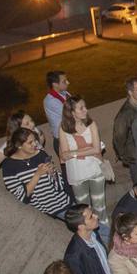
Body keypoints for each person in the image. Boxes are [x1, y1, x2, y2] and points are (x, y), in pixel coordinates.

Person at [0, 127, 73, 221]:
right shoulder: (9, 166)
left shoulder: (41, 154)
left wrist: (52, 173)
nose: (35, 144)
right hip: (43, 212)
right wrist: (37, 175)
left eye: (35, 140)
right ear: (19, 145)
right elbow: (21, 197)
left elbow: (59, 184)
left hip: (63, 201)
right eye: (30, 142)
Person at [58, 95, 107, 223]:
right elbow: (63, 155)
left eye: (85, 107)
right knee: (84, 211)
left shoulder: (91, 124)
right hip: (77, 176)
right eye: (81, 108)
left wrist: (73, 153)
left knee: (100, 207)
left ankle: (105, 233)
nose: (85, 110)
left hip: (96, 171)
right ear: (71, 112)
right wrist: (87, 149)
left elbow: (96, 149)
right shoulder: (63, 129)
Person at [0, 112, 39, 178]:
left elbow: (41, 139)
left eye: (32, 120)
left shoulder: (35, 131)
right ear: (18, 129)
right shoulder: (12, 142)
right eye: (27, 124)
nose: (33, 124)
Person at [112, 77, 137, 174]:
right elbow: (119, 137)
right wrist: (123, 155)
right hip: (136, 158)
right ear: (130, 92)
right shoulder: (125, 114)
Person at [42, 70, 69, 136]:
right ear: (55, 84)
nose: (68, 82)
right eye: (64, 81)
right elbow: (69, 113)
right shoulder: (50, 100)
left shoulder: (65, 93)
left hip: (69, 133)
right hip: (62, 137)